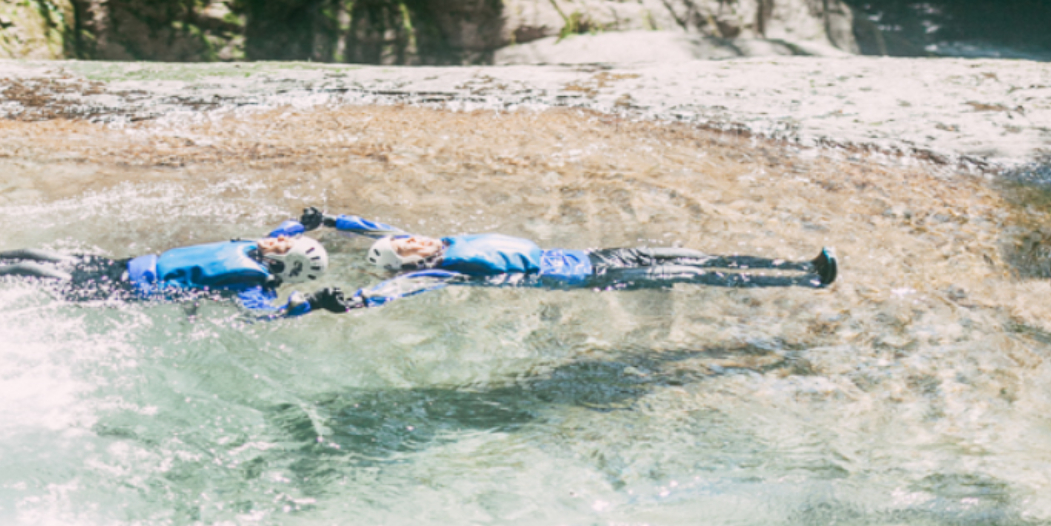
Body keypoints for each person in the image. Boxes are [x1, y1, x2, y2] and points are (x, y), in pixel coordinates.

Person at [297, 211, 837, 313]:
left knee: (701, 257)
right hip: (601, 279)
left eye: (407, 241)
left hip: (600, 255)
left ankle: (797, 263)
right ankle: (808, 282)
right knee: (703, 275)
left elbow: (380, 228)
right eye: (404, 249)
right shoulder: (442, 269)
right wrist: (359, 301)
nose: (409, 240)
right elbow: (406, 290)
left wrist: (332, 221)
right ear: (405, 262)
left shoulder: (440, 240)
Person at [0, 210, 333, 319]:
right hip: (119, 266)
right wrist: (308, 222)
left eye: (285, 247)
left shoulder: (251, 282)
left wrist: (312, 305)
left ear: (286, 267)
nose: (278, 241)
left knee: (26, 271)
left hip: (121, 292)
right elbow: (284, 231)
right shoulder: (261, 249)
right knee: (30, 253)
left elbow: (262, 315)